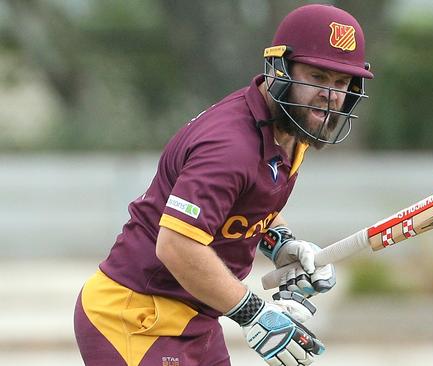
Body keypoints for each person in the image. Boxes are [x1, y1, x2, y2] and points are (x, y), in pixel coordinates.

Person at [73, 4, 373, 366]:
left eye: (341, 83)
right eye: (317, 77)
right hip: (135, 315)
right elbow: (177, 245)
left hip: (196, 316)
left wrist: (282, 243)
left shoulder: (291, 131)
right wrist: (254, 313)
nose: (331, 95)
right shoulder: (230, 146)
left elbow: (248, 202)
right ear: (280, 70)